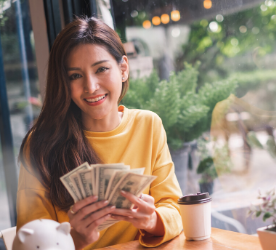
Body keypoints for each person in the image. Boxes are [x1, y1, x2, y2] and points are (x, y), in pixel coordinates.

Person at [17, 16, 183, 250]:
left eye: (101, 69)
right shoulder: (40, 144)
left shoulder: (149, 125)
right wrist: (76, 238)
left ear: (123, 69)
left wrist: (153, 220)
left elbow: (175, 208)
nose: (91, 87)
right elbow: (29, 239)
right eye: (75, 75)